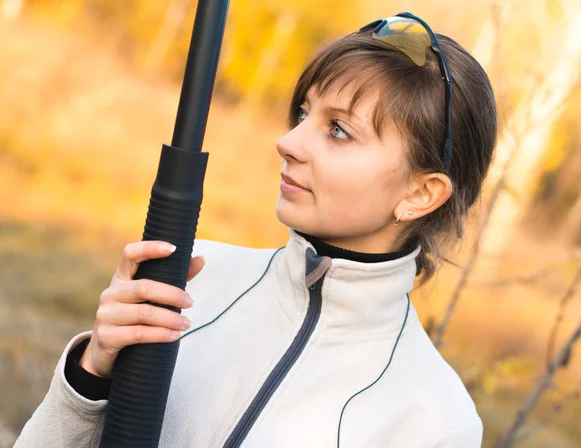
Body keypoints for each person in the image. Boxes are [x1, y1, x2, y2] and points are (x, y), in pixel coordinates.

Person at [15, 11, 497, 448]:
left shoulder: (434, 422)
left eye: (338, 131)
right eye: (305, 113)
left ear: (420, 194)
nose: (287, 142)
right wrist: (91, 375)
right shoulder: (190, 278)